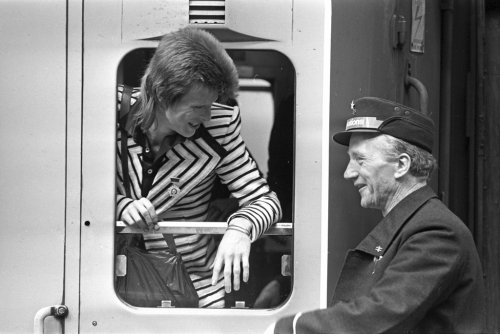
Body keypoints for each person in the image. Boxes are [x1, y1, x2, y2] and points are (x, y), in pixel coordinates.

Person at [271, 97, 485, 333]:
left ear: (402, 165)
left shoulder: (437, 233)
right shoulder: (415, 224)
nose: (348, 173)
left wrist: (289, 328)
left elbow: (383, 314)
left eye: (360, 160)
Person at [116, 27, 282, 308]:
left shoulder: (219, 127)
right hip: (111, 281)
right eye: (198, 107)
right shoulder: (104, 111)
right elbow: (74, 195)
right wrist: (120, 205)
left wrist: (240, 228)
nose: (207, 115)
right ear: (162, 93)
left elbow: (266, 200)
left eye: (212, 105)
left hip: (194, 284)